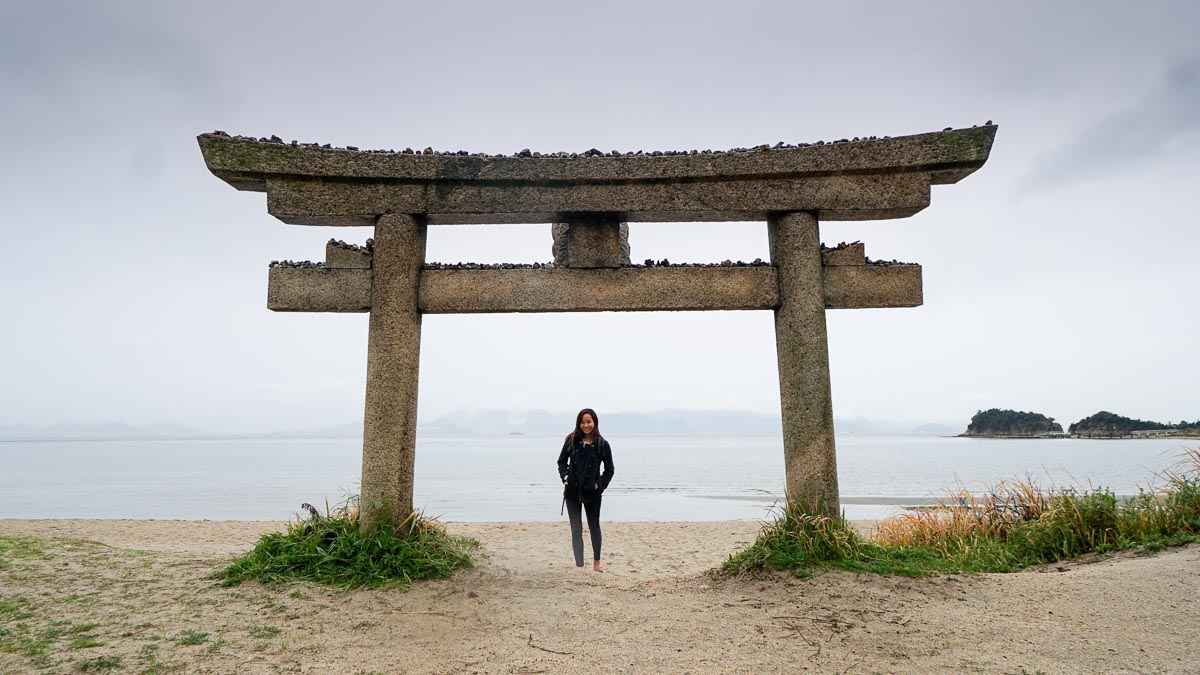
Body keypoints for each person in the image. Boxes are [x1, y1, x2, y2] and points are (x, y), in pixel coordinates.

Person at [557, 408, 614, 571]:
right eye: (582, 422)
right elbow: (561, 462)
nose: (585, 425)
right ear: (578, 423)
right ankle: (579, 566)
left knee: (594, 526)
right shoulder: (571, 440)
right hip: (572, 492)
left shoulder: (602, 444)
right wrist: (566, 477)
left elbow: (609, 470)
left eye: (588, 421)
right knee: (576, 529)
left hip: (593, 493)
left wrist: (600, 485)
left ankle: (596, 564)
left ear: (594, 422)